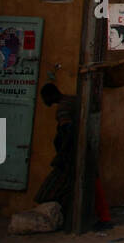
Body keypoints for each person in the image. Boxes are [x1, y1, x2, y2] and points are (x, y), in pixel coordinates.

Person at [35, 83, 112, 229]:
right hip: (81, 148)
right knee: (90, 181)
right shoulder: (73, 100)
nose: (44, 101)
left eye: (44, 97)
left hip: (74, 151)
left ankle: (100, 218)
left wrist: (65, 153)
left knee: (82, 183)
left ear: (50, 95)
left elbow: (68, 131)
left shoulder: (63, 108)